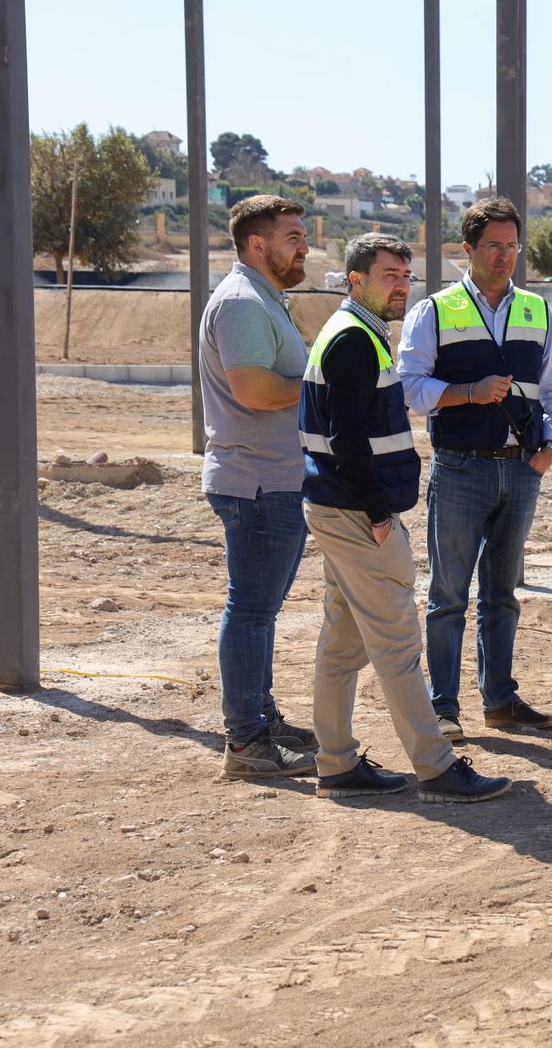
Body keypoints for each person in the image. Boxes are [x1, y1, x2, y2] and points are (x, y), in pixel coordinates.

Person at [299, 233, 511, 802]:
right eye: (389, 274)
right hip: (355, 513)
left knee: (343, 643)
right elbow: (347, 439)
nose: (400, 285)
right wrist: (376, 512)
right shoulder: (352, 341)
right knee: (396, 641)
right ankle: (437, 768)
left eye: (405, 275)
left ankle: (337, 763)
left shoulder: (360, 335)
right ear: (355, 280)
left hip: (339, 507)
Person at [397, 197, 552, 739]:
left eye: (512, 245)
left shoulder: (536, 310)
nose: (505, 255)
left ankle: (500, 700)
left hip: (520, 471)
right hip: (460, 469)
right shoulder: (434, 311)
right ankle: (443, 708)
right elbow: (408, 387)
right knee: (448, 594)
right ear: (467, 250)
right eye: (493, 245)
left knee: (502, 593)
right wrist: (467, 393)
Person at [199, 194, 318, 780]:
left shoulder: (264, 298)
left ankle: (259, 718)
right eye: (293, 236)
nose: (304, 246)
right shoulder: (244, 302)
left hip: (270, 477)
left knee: (258, 611)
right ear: (257, 244)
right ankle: (246, 742)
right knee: (250, 610)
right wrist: (326, 386)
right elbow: (254, 390)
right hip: (258, 481)